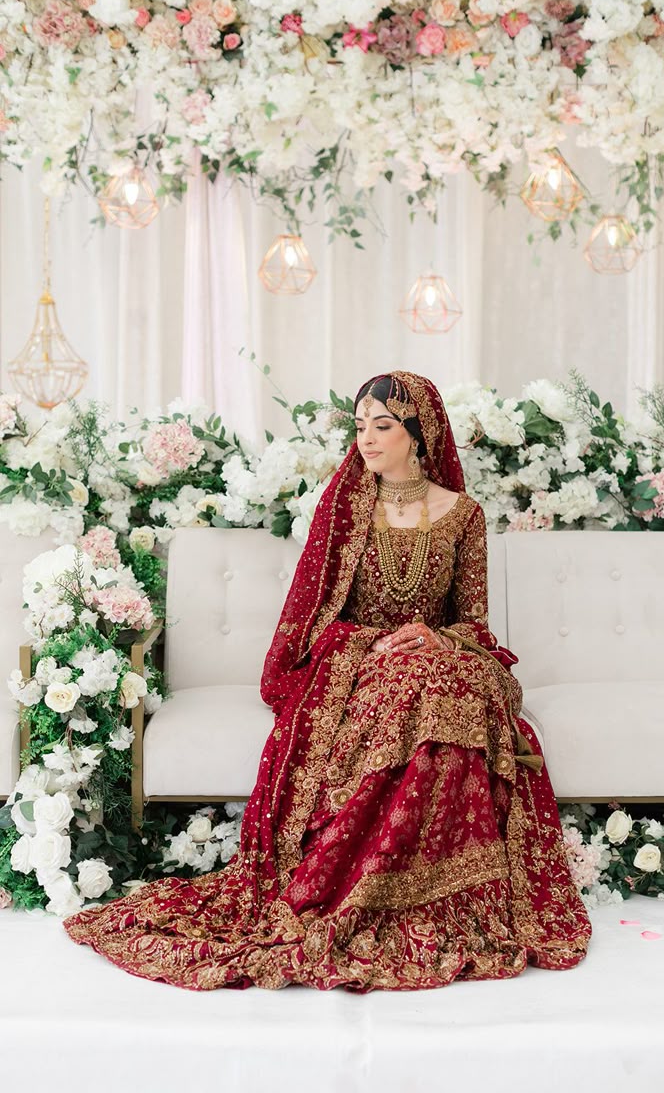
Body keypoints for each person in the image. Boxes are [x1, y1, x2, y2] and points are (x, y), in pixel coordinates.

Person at [64, 371, 591, 990]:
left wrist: (435, 638)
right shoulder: (345, 509)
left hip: (439, 657)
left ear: (419, 435)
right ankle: (371, 885)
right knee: (409, 691)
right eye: (360, 425)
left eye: (383, 425)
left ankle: (438, 890)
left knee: (452, 696)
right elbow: (314, 624)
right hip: (360, 663)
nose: (366, 438)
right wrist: (375, 644)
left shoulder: (464, 515)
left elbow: (473, 624)